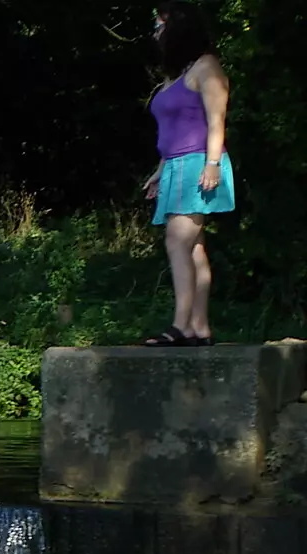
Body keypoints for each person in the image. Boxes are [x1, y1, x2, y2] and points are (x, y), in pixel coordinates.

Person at [143, 2, 234, 347]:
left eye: (160, 24)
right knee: (194, 246)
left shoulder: (207, 67)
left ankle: (180, 325)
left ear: (179, 27)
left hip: (199, 164)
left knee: (178, 240)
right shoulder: (178, 74)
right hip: (177, 166)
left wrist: (212, 164)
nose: (155, 32)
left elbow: (216, 120)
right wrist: (160, 170)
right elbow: (174, 130)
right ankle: (198, 328)